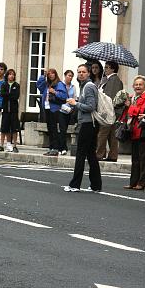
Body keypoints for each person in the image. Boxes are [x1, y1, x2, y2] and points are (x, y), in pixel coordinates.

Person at [64, 64, 102, 192]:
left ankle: (75, 185)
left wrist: (76, 103)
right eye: (79, 72)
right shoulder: (84, 86)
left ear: (88, 73)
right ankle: (96, 185)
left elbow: (91, 107)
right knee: (91, 154)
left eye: (83, 72)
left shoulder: (88, 87)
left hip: (88, 124)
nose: (81, 74)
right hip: (89, 123)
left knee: (80, 153)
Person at [123, 75, 145, 190]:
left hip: (143, 131)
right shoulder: (132, 97)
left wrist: (130, 107)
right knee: (135, 158)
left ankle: (142, 182)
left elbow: (141, 112)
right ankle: (133, 182)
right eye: (136, 84)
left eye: (140, 84)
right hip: (133, 130)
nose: (138, 86)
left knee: (143, 158)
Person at [95, 61, 124, 162]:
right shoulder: (106, 79)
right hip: (109, 110)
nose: (105, 69)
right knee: (111, 134)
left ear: (113, 69)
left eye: (107, 67)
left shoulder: (114, 80)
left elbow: (109, 97)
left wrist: (104, 111)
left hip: (108, 110)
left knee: (103, 133)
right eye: (105, 67)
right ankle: (112, 155)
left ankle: (100, 154)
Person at [37, 68, 68, 156]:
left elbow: (63, 95)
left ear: (55, 74)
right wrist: (43, 76)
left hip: (55, 109)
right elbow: (39, 85)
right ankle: (51, 148)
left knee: (54, 129)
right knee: (50, 129)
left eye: (52, 73)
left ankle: (56, 148)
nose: (51, 75)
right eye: (49, 74)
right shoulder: (47, 84)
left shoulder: (59, 84)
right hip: (47, 109)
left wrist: (54, 92)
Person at [0, 68, 20, 152]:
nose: (11, 76)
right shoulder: (4, 85)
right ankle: (2, 144)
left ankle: (14, 145)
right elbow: (2, 94)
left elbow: (16, 96)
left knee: (14, 128)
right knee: (4, 127)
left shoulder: (16, 85)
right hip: (5, 109)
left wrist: (8, 95)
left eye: (13, 74)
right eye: (10, 74)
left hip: (14, 110)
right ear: (7, 75)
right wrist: (9, 95)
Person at [58, 69, 78, 155]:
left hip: (70, 110)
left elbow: (75, 97)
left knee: (66, 129)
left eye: (71, 76)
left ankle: (62, 146)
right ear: (65, 76)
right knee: (62, 129)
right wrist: (66, 107)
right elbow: (58, 99)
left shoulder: (73, 87)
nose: (70, 77)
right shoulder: (60, 85)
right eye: (68, 75)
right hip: (61, 110)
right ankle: (62, 148)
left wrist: (72, 107)